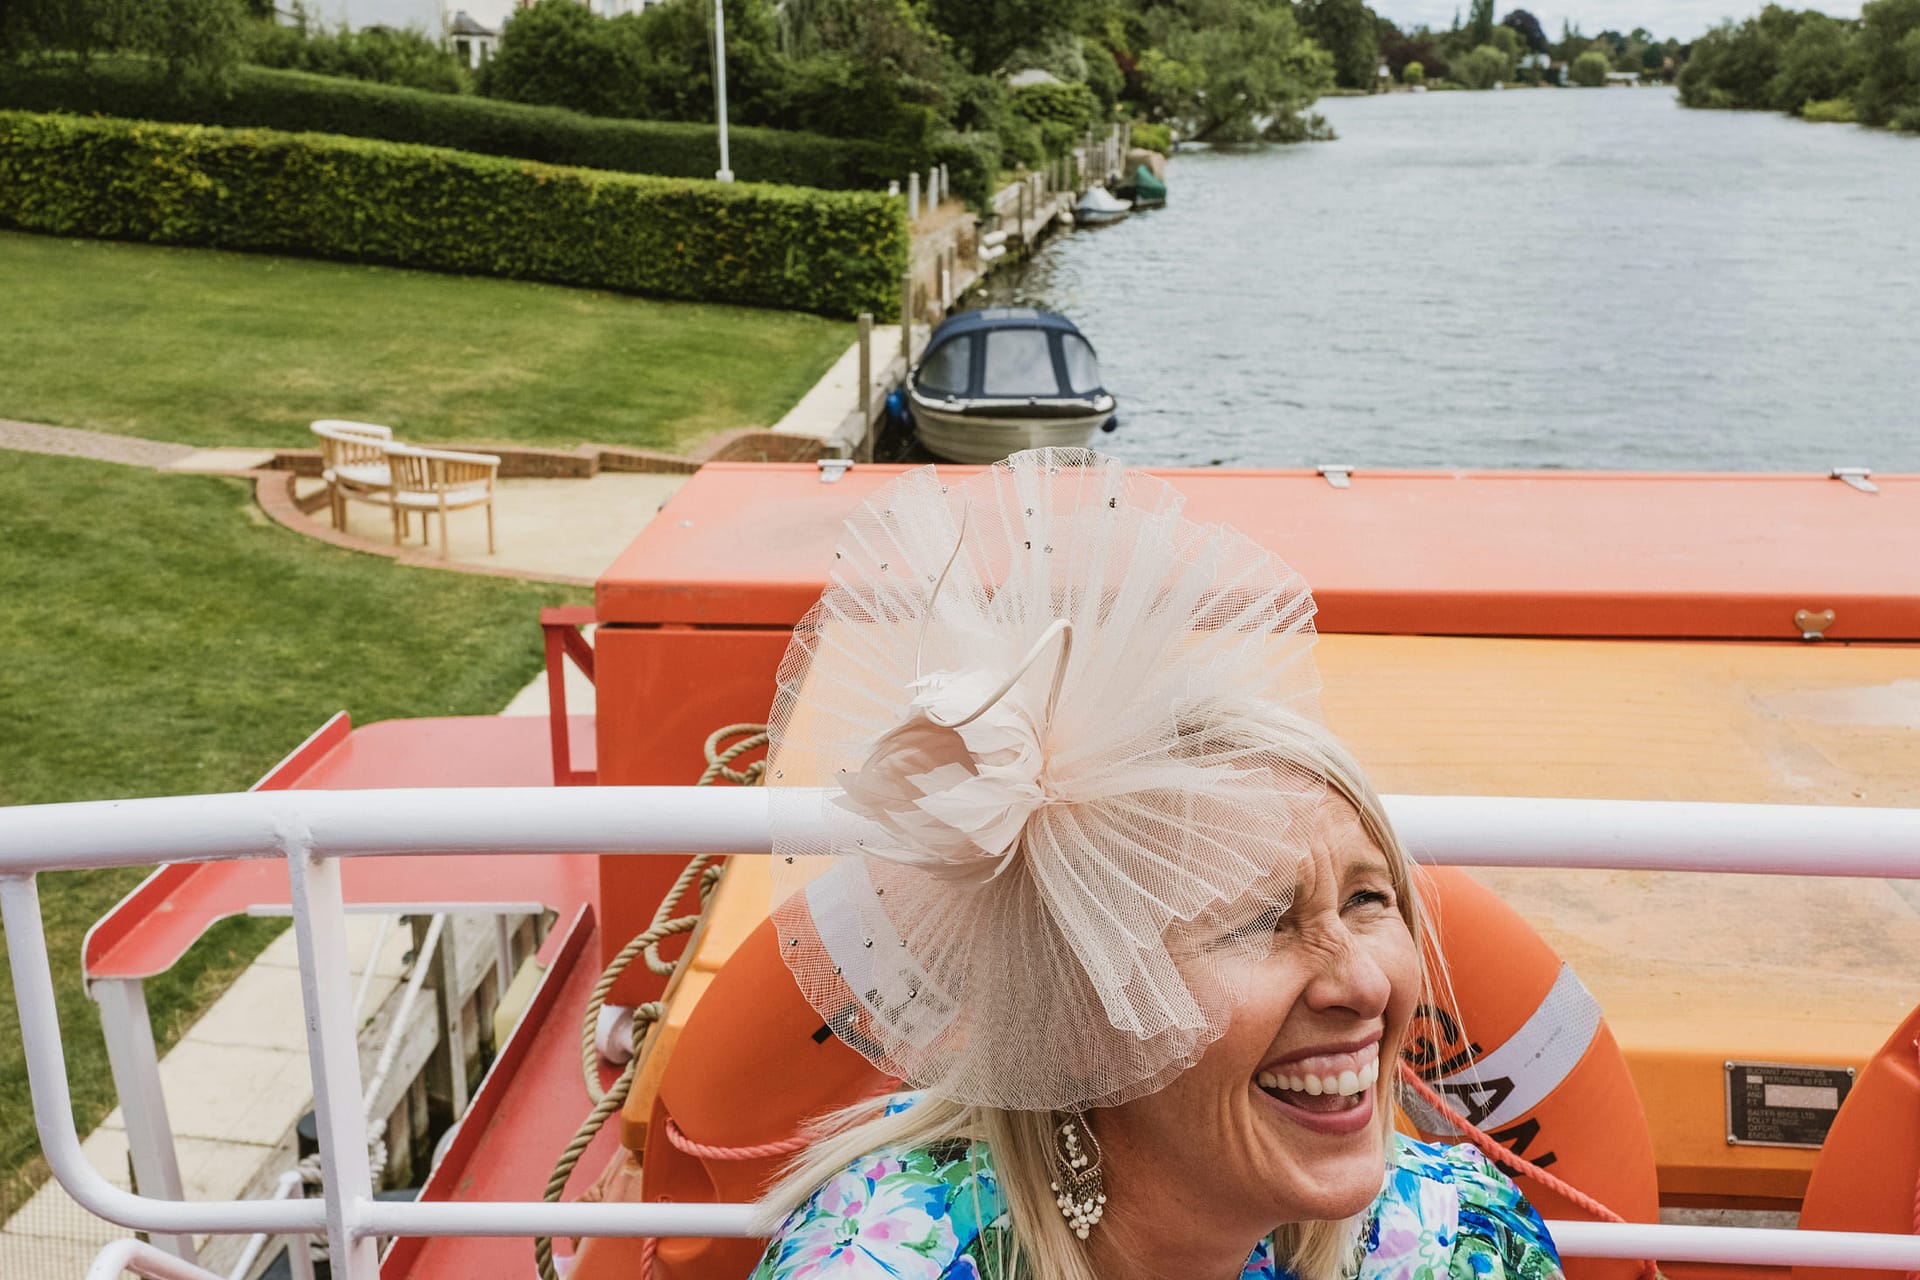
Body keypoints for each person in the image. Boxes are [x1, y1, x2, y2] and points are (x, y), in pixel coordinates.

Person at [750, 449, 1563, 1280]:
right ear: (1075, 1026)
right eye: (1257, 922)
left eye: (1366, 899)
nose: (1363, 985)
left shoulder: (1467, 1241)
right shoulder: (874, 1262)